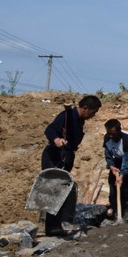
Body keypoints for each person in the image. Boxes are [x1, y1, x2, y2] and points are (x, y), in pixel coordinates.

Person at [41, 94, 102, 236]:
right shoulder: (66, 115)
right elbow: (50, 129)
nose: (93, 116)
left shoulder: (79, 121)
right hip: (54, 156)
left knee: (63, 190)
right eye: (93, 112)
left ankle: (57, 224)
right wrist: (56, 139)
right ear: (85, 108)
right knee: (54, 190)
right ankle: (51, 227)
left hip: (66, 157)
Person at [103, 118, 128, 220]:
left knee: (125, 190)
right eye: (109, 133)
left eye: (113, 133)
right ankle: (116, 214)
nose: (111, 136)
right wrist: (111, 166)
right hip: (117, 162)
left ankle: (126, 215)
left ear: (119, 131)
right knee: (113, 189)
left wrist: (122, 176)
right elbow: (108, 154)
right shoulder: (107, 137)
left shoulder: (127, 139)